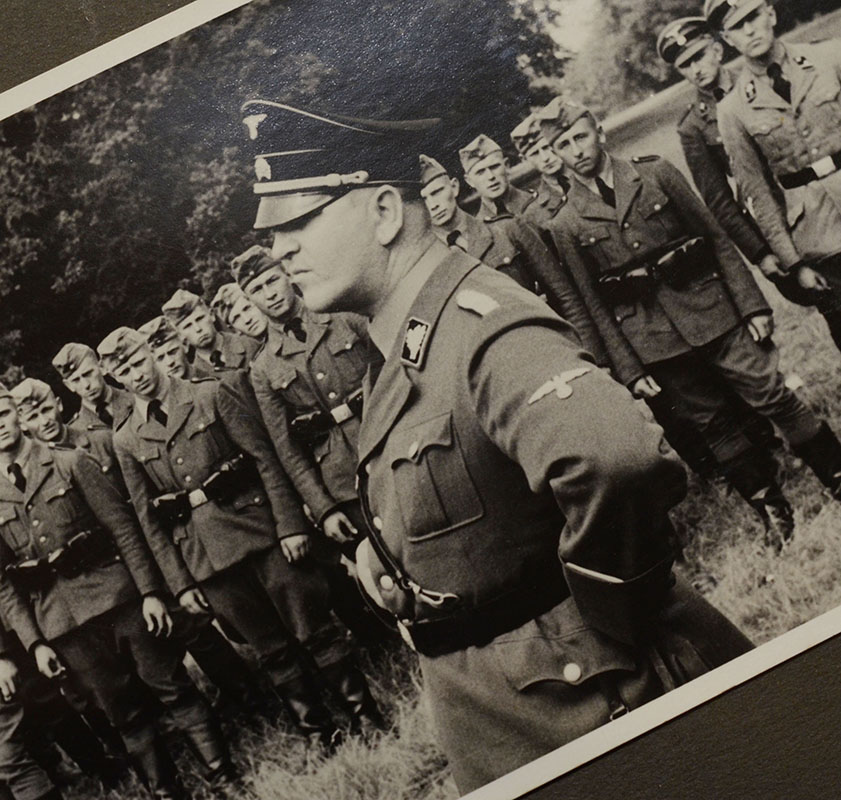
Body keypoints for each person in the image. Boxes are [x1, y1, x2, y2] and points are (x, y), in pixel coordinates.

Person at [238, 97, 753, 793]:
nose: (280, 249)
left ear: (386, 212)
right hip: (504, 717)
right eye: (273, 236)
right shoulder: (407, 341)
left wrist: (608, 621)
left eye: (299, 221)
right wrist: (393, 551)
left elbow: (618, 461)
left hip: (583, 705)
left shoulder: (480, 325)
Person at [538, 100, 841, 548]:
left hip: (715, 312)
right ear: (555, 155)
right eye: (563, 144)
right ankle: (772, 510)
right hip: (652, 341)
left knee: (771, 394)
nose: (576, 150)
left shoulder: (655, 172)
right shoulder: (564, 222)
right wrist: (629, 368)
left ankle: (834, 473)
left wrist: (752, 306)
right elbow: (591, 305)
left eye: (580, 136)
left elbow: (715, 238)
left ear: (598, 132)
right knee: (713, 424)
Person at [102, 327, 381, 747]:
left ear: (152, 353)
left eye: (138, 361)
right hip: (207, 560)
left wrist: (288, 525)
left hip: (262, 535)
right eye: (124, 371)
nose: (136, 375)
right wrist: (181, 583)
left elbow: (264, 459)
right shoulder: (125, 439)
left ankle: (366, 716)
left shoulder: (209, 393)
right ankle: (320, 733)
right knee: (270, 650)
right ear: (115, 380)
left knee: (313, 628)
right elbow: (148, 519)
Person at [0, 384, 234, 799]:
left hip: (119, 598)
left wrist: (149, 593)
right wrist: (35, 642)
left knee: (171, 687)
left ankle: (225, 780)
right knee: (123, 715)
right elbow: (4, 585)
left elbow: (125, 530)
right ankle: (167, 793)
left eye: (3, 413)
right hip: (63, 623)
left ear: (17, 413)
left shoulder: (69, 462)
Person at [9, 377, 263, 717]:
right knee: (145, 651)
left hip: (152, 544)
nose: (45, 422)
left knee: (193, 628)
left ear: (58, 403)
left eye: (46, 410)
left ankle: (249, 700)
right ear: (25, 426)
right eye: (34, 418)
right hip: (115, 566)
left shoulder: (99, 439)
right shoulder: (45, 466)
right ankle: (190, 714)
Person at [656, 14, 841, 350]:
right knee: (831, 302)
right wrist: (760, 253)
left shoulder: (760, 76)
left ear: (717, 48)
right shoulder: (694, 126)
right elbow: (720, 200)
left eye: (699, 56)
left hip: (816, 196)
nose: (696, 69)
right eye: (685, 66)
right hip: (778, 221)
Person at [710, 0, 841, 348]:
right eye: (737, 26)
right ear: (727, 38)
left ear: (770, 13)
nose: (749, 30)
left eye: (752, 16)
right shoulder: (733, 108)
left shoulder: (830, 56)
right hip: (818, 236)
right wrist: (794, 263)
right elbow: (757, 193)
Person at [418, 154, 607, 363]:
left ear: (454, 187)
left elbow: (565, 296)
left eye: (437, 192)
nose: (433, 205)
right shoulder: (429, 264)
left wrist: (595, 359)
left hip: (550, 348)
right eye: (423, 200)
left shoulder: (506, 229)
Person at [459, 134, 555, 231]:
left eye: (494, 167)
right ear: (469, 181)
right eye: (480, 172)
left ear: (506, 165)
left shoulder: (541, 201)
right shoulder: (479, 229)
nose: (491, 176)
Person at [161, 289, 260, 374]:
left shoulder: (249, 346)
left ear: (212, 315)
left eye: (200, 319)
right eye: (188, 326)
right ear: (181, 335)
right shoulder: (194, 376)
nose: (198, 329)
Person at [51, 344, 133, 432]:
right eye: (76, 380)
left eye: (88, 374)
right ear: (69, 385)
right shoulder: (77, 431)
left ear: (102, 368)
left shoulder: (135, 399)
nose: (86, 385)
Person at [510, 112, 569, 217]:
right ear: (524, 159)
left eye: (546, 147)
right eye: (535, 154)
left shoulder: (594, 175)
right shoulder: (535, 210)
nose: (545, 158)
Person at [137, 317, 210, 381]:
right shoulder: (163, 395)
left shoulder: (213, 380)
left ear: (185, 345)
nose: (170, 362)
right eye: (160, 358)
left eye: (172, 352)